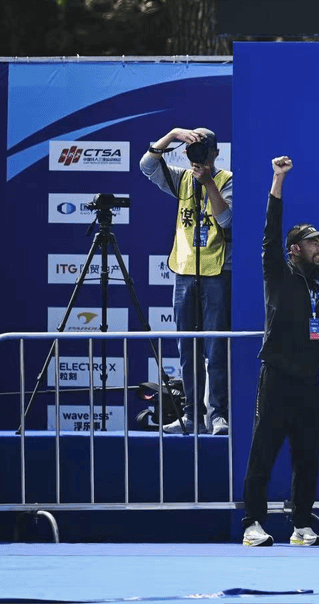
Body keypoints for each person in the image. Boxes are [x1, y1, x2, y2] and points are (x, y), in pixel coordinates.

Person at [241, 156, 319, 547]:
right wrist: (278, 180)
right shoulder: (277, 271)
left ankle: (301, 525)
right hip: (277, 377)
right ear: (294, 249)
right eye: (314, 242)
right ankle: (253, 523)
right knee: (264, 451)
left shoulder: (317, 288)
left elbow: (310, 328)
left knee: (307, 456)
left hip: (308, 380)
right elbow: (271, 231)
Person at [140, 127, 232, 435]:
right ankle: (192, 416)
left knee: (216, 348)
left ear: (215, 154)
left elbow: (227, 220)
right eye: (193, 150)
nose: (198, 156)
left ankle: (218, 415)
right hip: (184, 273)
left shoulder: (227, 180)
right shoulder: (181, 179)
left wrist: (208, 182)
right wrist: (171, 135)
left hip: (217, 273)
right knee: (188, 349)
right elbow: (147, 166)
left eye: (204, 150)